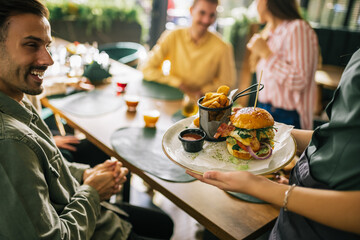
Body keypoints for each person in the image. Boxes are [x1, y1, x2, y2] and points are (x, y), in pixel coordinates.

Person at [0, 1, 173, 239]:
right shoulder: (11, 141)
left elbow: (51, 168)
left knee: (163, 223)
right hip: (92, 226)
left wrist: (86, 176)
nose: (48, 60)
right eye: (31, 45)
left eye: (47, 46)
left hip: (94, 212)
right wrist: (92, 191)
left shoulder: (18, 99)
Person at [187, 48, 360, 239]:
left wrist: (260, 187)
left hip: (325, 229)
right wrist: (275, 134)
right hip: (296, 204)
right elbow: (340, 137)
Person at [141, 0, 236, 99]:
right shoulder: (173, 36)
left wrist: (203, 91)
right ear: (191, 11)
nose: (206, 20)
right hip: (172, 97)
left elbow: (227, 84)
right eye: (202, 13)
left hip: (203, 103)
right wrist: (177, 83)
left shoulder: (223, 47)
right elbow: (146, 68)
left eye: (212, 15)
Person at [247, 0, 319, 129]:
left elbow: (300, 81)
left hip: (286, 117)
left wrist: (267, 54)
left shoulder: (298, 28)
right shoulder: (270, 32)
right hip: (264, 109)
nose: (255, 5)